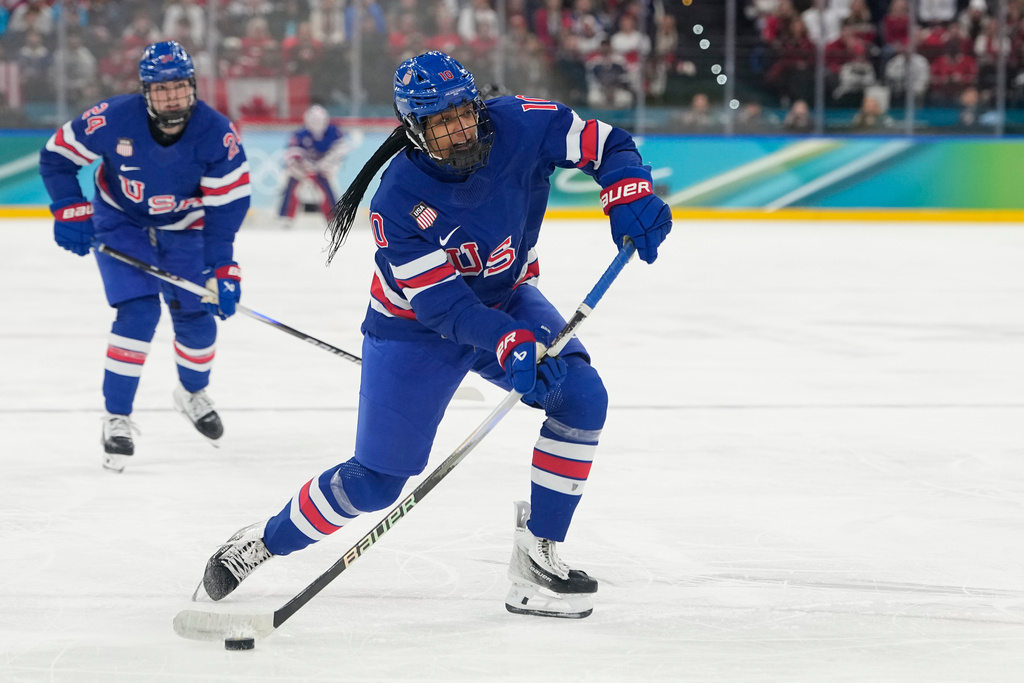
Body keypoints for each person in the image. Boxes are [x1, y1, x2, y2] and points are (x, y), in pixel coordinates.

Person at [195, 50, 671, 619]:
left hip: (507, 296)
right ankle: (264, 541)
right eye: (441, 123)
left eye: (464, 113)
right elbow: (442, 307)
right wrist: (505, 340)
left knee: (581, 396)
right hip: (413, 328)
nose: (459, 130)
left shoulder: (524, 120)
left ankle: (537, 555)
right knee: (375, 482)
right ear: (414, 130)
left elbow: (606, 143)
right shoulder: (397, 199)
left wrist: (628, 191)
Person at [38, 40, 251, 473]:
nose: (172, 97)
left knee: (196, 315)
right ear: (145, 91)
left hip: (185, 225)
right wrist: (68, 207)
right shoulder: (112, 118)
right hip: (120, 220)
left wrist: (222, 267)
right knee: (137, 314)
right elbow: (56, 156)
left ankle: (191, 392)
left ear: (193, 87)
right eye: (161, 89)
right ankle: (117, 416)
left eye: (179, 87)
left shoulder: (218, 135)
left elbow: (225, 210)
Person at [277, 104, 355, 229]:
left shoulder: (334, 132)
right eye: (314, 120)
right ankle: (286, 217)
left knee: (328, 188)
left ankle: (333, 217)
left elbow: (341, 149)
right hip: (304, 168)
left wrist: (331, 164)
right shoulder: (300, 134)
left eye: (319, 120)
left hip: (324, 168)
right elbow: (292, 153)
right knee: (292, 185)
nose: (317, 124)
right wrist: (299, 165)